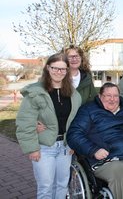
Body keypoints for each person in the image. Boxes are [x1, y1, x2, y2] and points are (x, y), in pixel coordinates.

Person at [15, 52, 82, 199]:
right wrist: (32, 148)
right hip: (44, 148)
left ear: (67, 70)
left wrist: (72, 143)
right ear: (47, 68)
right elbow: (25, 121)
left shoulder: (73, 94)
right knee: (46, 188)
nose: (59, 72)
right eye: (55, 68)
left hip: (65, 148)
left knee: (62, 186)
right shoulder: (36, 93)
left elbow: (76, 121)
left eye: (63, 69)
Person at [36, 45, 97, 132]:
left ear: (81, 58)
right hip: (55, 131)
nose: (74, 59)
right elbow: (35, 103)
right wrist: (35, 122)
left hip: (80, 129)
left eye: (77, 56)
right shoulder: (53, 77)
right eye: (70, 57)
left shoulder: (87, 78)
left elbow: (93, 103)